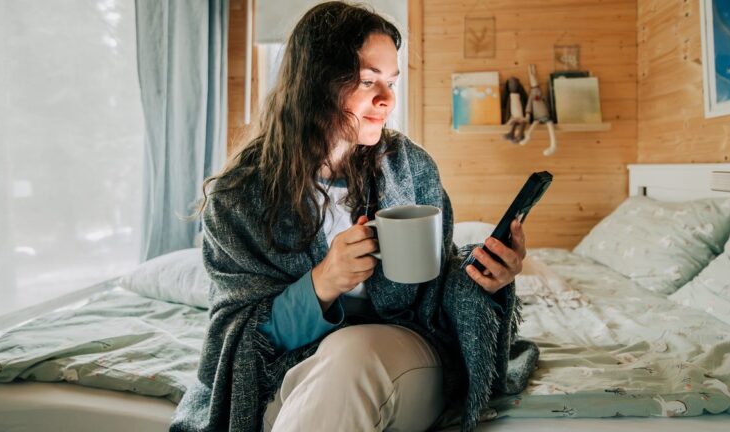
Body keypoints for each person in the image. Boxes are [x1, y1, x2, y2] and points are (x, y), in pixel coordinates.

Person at [171, 2, 537, 432]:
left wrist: (488, 276)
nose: (387, 99)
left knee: (354, 351)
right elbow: (240, 337)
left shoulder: (411, 168)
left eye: (392, 82)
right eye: (368, 81)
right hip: (287, 374)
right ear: (316, 84)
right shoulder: (239, 196)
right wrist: (323, 283)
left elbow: (439, 288)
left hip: (402, 355)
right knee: (337, 366)